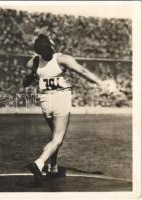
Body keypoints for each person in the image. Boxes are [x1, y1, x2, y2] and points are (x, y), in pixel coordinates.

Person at [23, 34, 114, 184]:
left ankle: (53, 167)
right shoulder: (62, 59)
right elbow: (83, 71)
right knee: (58, 138)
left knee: (54, 134)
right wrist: (100, 83)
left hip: (45, 100)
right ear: (51, 45)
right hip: (60, 99)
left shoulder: (33, 62)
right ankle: (39, 163)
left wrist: (33, 75)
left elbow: (26, 82)